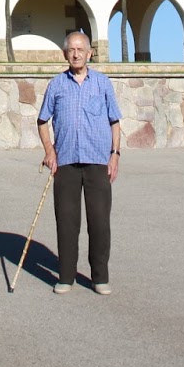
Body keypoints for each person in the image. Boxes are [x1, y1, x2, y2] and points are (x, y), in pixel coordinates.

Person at [37, 30, 121, 295]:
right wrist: (50, 151)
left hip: (98, 162)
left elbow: (114, 121)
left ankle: (100, 277)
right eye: (71, 50)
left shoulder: (102, 83)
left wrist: (115, 154)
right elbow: (42, 121)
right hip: (66, 163)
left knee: (99, 222)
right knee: (67, 221)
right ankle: (65, 277)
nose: (76, 54)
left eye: (80, 49)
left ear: (89, 53)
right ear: (65, 54)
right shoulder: (57, 85)